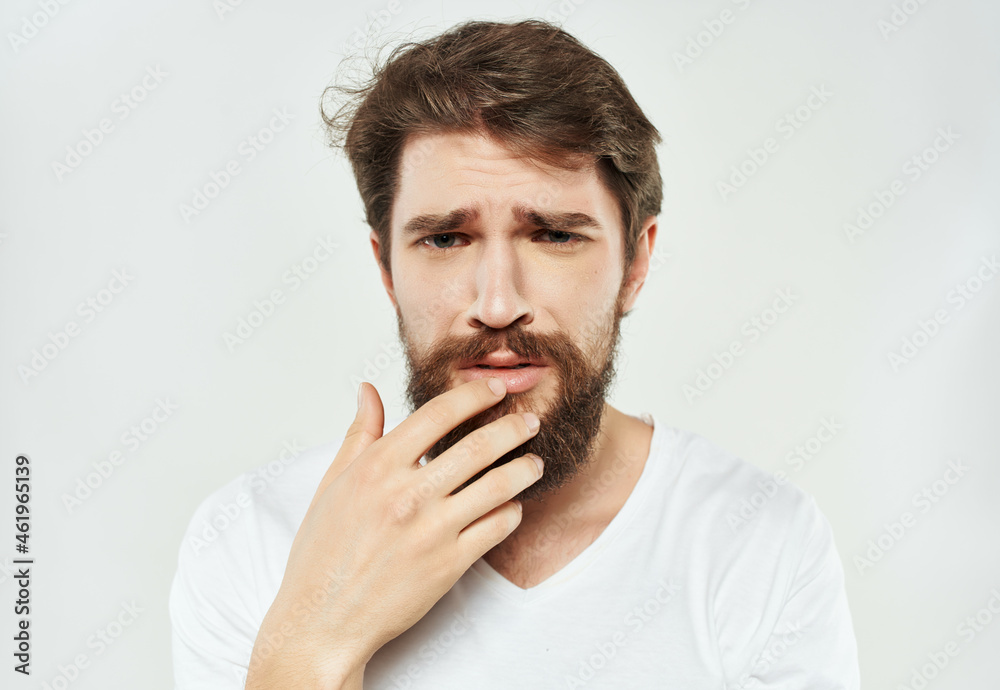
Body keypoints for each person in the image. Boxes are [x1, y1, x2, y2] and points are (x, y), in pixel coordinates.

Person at [170, 19, 860, 689]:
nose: (498, 305)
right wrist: (317, 642)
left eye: (555, 235)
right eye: (445, 239)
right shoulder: (251, 538)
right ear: (386, 270)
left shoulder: (761, 545)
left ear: (635, 263)